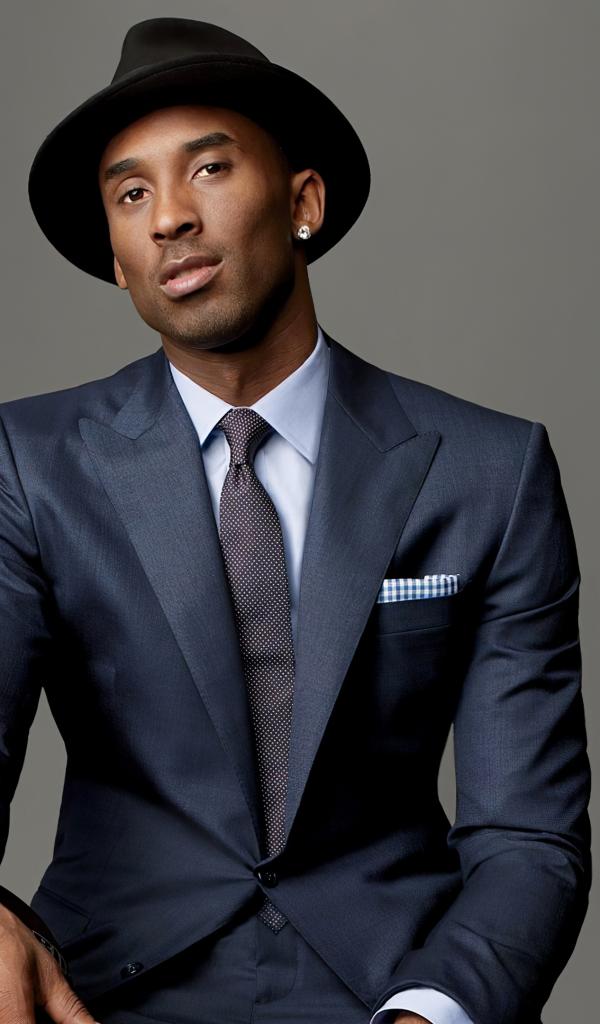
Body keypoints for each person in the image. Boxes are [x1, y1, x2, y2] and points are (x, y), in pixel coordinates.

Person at [0, 17, 591, 1024]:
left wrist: (432, 1012)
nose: (169, 217)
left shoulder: (491, 470)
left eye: (209, 169)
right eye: (131, 194)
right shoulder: (26, 463)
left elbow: (529, 837)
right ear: (117, 258)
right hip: (99, 997)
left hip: (392, 992)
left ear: (303, 202)